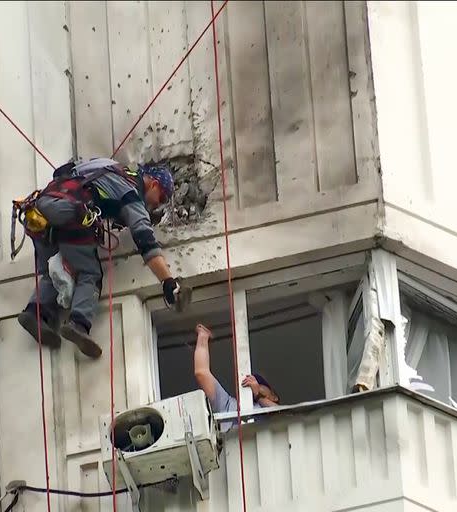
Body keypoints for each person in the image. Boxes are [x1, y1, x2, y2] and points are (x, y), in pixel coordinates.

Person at [17, 158, 186, 359]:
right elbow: (144, 239)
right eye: (162, 198)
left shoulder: (107, 166)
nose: (157, 204)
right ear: (154, 184)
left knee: (52, 268)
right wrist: (168, 281)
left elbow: (63, 171)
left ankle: (35, 312)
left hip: (40, 209)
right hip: (71, 213)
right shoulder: (130, 192)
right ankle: (78, 324)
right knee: (90, 273)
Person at [193, 324, 279, 415]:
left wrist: (258, 394)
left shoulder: (283, 419)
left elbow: (279, 413)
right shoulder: (228, 405)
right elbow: (201, 372)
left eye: (260, 384)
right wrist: (203, 337)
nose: (254, 384)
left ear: (274, 397)